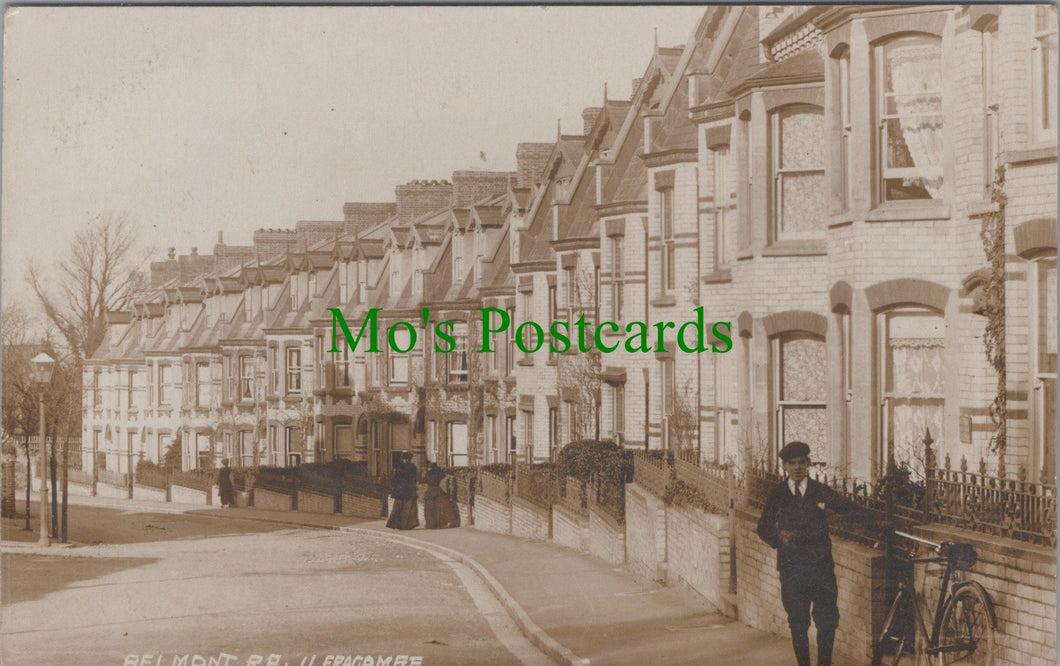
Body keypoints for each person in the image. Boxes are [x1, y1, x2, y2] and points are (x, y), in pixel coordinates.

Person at [756, 441, 881, 666]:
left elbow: (848, 509)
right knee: (798, 622)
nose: (797, 468)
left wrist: (880, 525)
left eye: (801, 462)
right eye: (792, 463)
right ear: (784, 466)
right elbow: (762, 527)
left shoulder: (820, 491)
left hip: (821, 569)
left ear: (809, 463)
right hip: (792, 570)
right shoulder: (777, 494)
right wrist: (779, 538)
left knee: (827, 621)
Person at [386, 451, 419, 530]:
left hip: (405, 490)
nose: (406, 460)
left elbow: (414, 478)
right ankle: (400, 525)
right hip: (402, 490)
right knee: (399, 508)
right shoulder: (400, 467)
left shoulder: (409, 467)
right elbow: (394, 478)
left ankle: (407, 525)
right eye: (404, 459)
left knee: (409, 508)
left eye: (407, 459)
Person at [423, 463, 461, 529]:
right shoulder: (439, 473)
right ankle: (439, 523)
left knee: (430, 509)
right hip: (438, 491)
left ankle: (431, 524)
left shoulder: (429, 474)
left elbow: (423, 481)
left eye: (429, 467)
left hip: (431, 492)